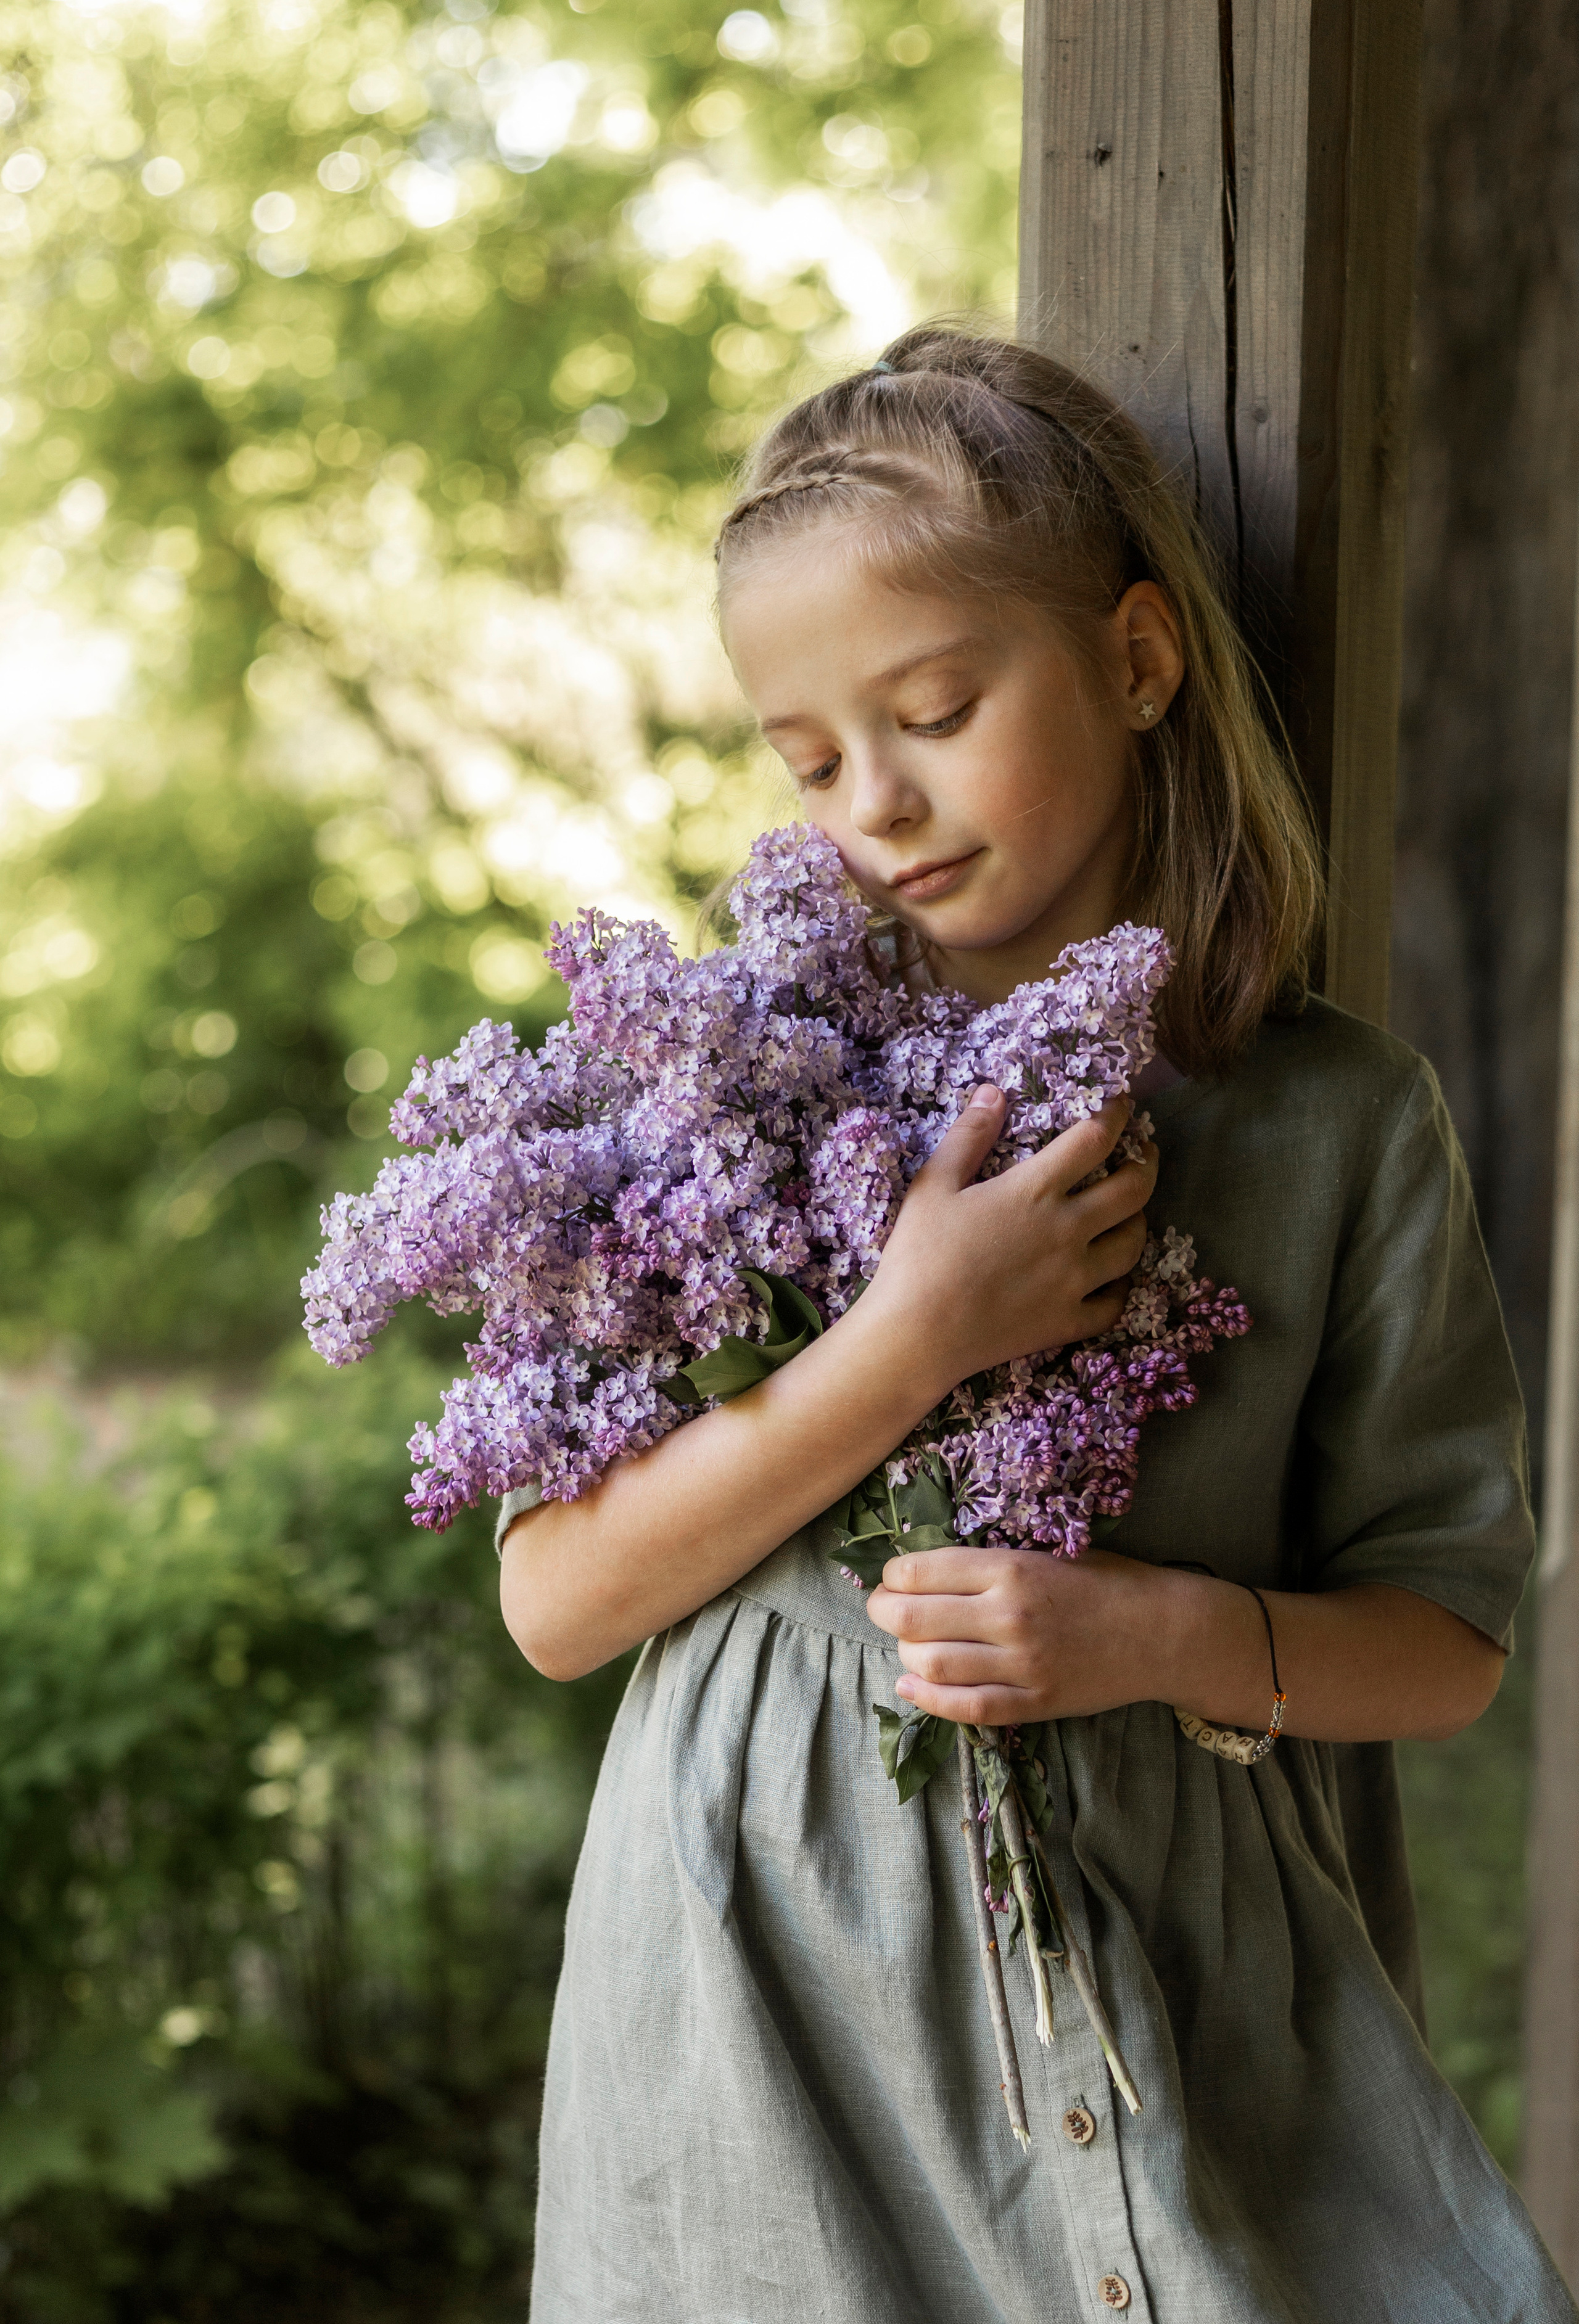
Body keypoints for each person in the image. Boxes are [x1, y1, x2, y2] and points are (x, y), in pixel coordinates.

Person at [498, 325, 1574, 2322]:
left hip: (1183, 1996)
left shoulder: (1339, 1117)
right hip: (762, 2026)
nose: (877, 802)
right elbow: (559, 1602)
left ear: (1140, 660)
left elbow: (1445, 1641)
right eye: (809, 759)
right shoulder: (721, 1088)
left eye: (935, 708)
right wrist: (906, 1337)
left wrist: (1160, 1634)